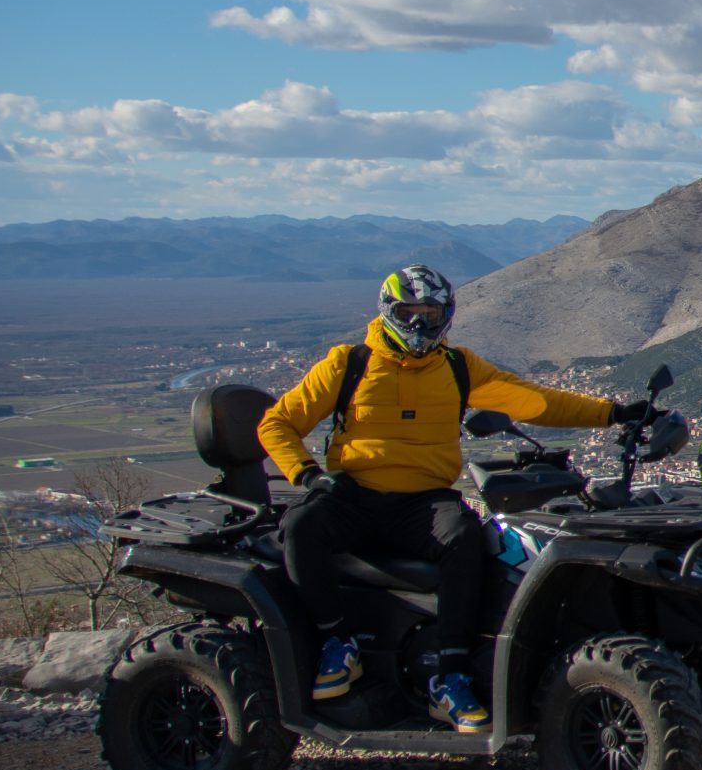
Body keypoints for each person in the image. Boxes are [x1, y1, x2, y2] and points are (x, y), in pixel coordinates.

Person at [257, 265, 650, 732]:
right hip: (353, 494)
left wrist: (614, 413)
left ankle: (452, 674)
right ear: (388, 312)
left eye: (431, 312)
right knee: (300, 528)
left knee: (466, 538)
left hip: (423, 502)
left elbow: (537, 401)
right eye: (410, 312)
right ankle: (335, 641)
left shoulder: (458, 368)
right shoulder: (349, 364)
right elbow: (276, 423)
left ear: (447, 314)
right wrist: (306, 476)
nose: (421, 323)